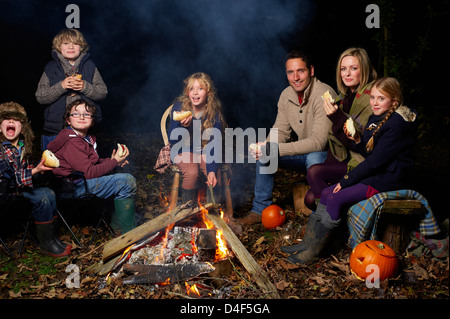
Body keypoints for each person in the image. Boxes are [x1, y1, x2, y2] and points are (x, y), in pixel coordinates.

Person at [282, 77, 418, 264]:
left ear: (394, 101)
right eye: (373, 98)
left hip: (388, 179)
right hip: (375, 171)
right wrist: (357, 142)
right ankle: (308, 244)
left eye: (381, 99)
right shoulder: (375, 118)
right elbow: (370, 153)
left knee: (336, 196)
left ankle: (315, 252)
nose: (375, 103)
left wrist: (346, 181)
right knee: (328, 193)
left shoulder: (396, 126)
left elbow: (375, 162)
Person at [238, 50, 336, 225]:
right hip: (304, 155)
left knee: (314, 156)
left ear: (311, 71)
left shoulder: (324, 93)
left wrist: (275, 149)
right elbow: (280, 131)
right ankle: (260, 210)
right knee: (266, 153)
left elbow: (318, 143)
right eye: (290, 72)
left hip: (327, 158)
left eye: (301, 71)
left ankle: (320, 214)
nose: (296, 77)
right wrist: (265, 147)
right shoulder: (286, 95)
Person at [47, 99, 136, 234]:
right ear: (68, 120)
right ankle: (128, 234)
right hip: (72, 186)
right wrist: (114, 162)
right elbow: (88, 173)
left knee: (124, 177)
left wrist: (112, 161)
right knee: (126, 181)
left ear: (92, 121)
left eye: (86, 114)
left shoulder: (87, 138)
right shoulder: (71, 141)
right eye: (76, 114)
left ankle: (119, 226)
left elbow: (92, 163)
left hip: (80, 181)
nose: (82, 116)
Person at [304, 48, 377, 211]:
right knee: (309, 198)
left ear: (363, 69)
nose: (347, 74)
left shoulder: (371, 97)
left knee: (314, 172)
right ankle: (333, 212)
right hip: (343, 162)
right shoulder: (342, 99)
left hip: (361, 163)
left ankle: (327, 222)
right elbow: (335, 143)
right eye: (343, 69)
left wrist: (337, 116)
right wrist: (330, 174)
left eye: (354, 68)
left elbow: (359, 143)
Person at [0, 101, 71, 257]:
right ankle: (46, 245)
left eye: (16, 119)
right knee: (42, 197)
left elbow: (28, 176)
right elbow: (7, 181)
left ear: (23, 127)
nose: (11, 121)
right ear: (0, 126)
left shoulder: (23, 147)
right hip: (4, 195)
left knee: (48, 192)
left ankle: (51, 237)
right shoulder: (1, 150)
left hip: (19, 192)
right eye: (6, 118)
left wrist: (40, 171)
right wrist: (34, 171)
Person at [36, 28, 108, 150]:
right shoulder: (50, 68)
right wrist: (61, 86)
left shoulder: (90, 66)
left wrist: (85, 87)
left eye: (75, 44)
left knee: (84, 165)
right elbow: (41, 97)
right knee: (54, 165)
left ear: (82, 47)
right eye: (66, 43)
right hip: (56, 130)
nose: (71, 47)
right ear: (59, 47)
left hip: (84, 129)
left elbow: (102, 93)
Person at [168, 72, 227, 204]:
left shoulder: (213, 112)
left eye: (200, 89)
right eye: (191, 89)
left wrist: (211, 171)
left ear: (208, 92)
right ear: (187, 92)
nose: (195, 93)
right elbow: (172, 140)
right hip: (181, 148)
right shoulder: (179, 107)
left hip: (204, 149)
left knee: (214, 173)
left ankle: (213, 215)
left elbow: (214, 144)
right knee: (191, 172)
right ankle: (186, 212)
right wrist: (184, 127)